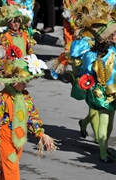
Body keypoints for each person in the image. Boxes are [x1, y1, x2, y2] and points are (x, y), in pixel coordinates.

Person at [0, 50, 56, 179]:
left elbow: (32, 116)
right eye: (22, 82)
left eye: (26, 82)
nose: (25, 84)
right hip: (5, 138)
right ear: (13, 80)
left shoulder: (25, 96)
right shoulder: (0, 98)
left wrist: (41, 134)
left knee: (6, 172)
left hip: (19, 138)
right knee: (12, 172)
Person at [69, 0, 116, 163]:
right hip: (101, 93)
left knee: (110, 122)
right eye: (114, 34)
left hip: (114, 92)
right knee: (103, 120)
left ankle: (104, 147)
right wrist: (86, 81)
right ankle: (103, 152)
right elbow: (86, 72)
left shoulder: (114, 52)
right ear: (107, 38)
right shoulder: (93, 55)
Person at [0, 5, 36, 73]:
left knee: (23, 84)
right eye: (13, 22)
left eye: (18, 21)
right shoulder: (4, 37)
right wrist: (0, 69)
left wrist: (33, 64)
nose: (16, 24)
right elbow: (0, 54)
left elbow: (29, 51)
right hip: (11, 68)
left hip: (25, 67)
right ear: (8, 23)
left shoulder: (25, 35)